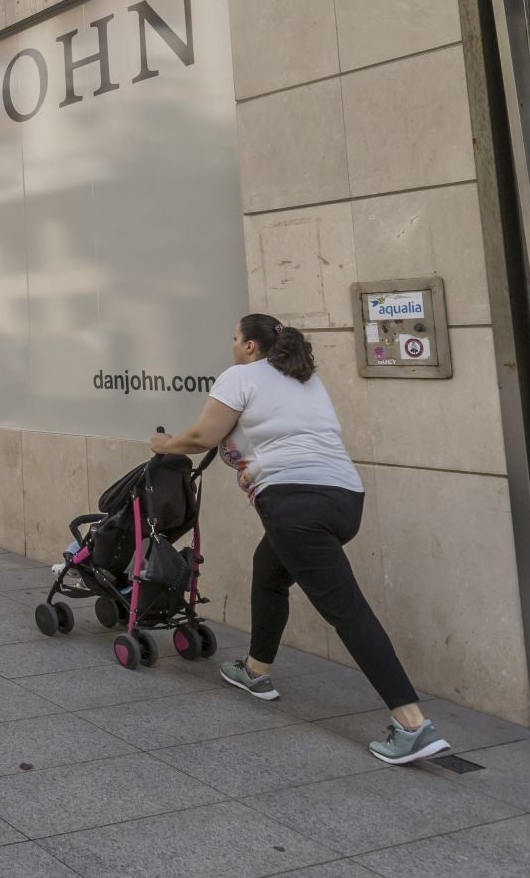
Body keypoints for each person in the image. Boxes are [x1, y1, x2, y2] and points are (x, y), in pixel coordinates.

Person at [152, 313, 450, 767]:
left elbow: (201, 436)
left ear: (251, 347)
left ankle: (413, 725)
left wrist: (165, 445)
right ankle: (256, 671)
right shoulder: (305, 379)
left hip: (295, 505)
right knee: (269, 571)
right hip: (344, 499)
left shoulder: (241, 375)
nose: (232, 347)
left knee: (347, 611)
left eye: (235, 339)